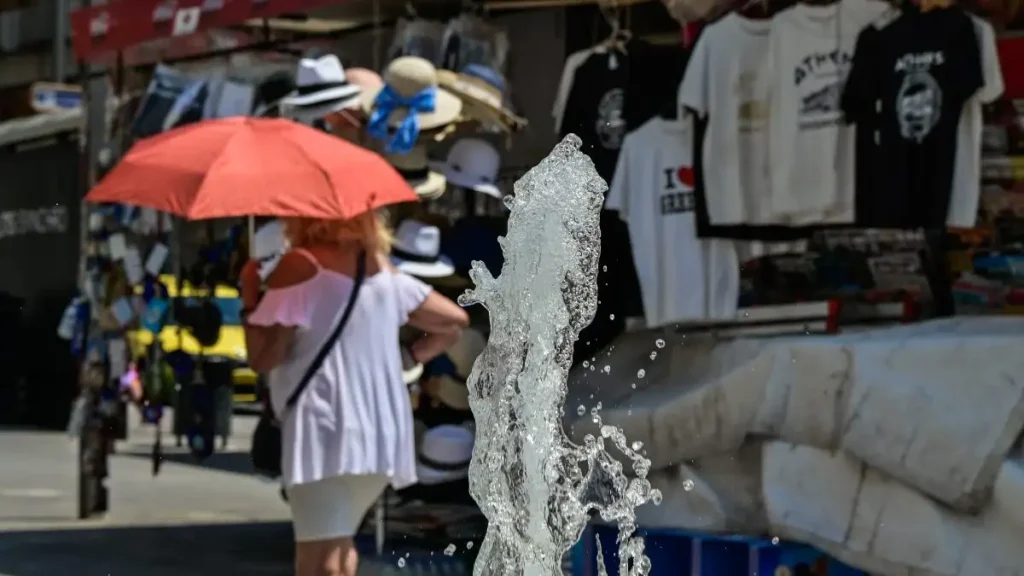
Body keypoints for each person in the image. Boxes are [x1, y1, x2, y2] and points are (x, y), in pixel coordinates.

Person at [243, 211, 468, 576]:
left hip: (322, 430)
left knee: (318, 559)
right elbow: (454, 322)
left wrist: (249, 296)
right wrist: (412, 356)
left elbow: (264, 357)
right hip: (379, 433)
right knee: (339, 547)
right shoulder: (380, 270)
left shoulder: (299, 267)